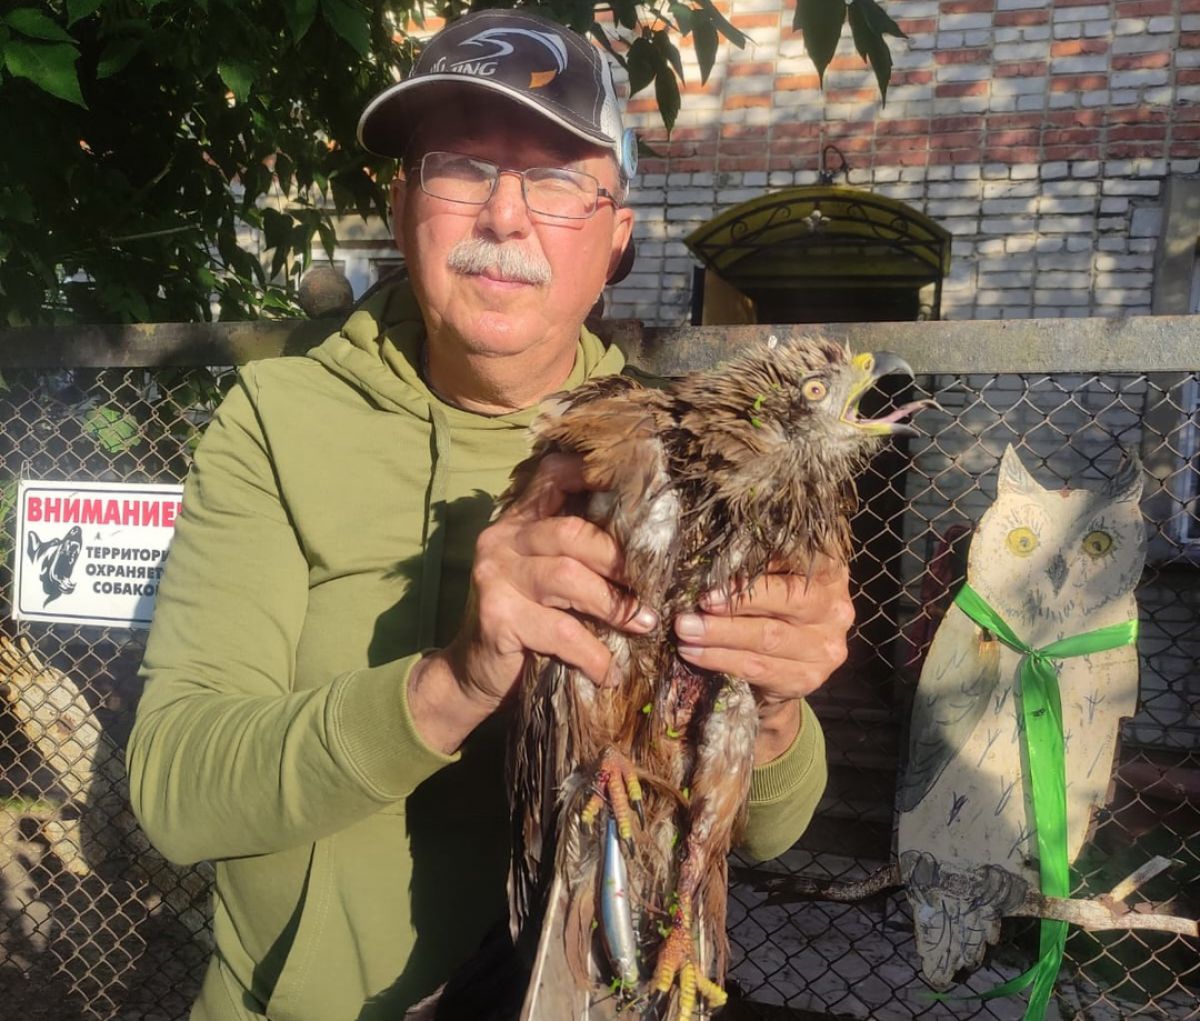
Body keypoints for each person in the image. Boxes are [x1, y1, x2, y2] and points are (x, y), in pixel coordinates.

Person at [127, 10, 855, 1020]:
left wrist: (774, 705)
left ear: (618, 233)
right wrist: (452, 683)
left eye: (557, 178)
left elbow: (772, 831)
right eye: (462, 166)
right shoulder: (275, 422)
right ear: (402, 204)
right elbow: (175, 790)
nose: (504, 217)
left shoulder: (693, 458)